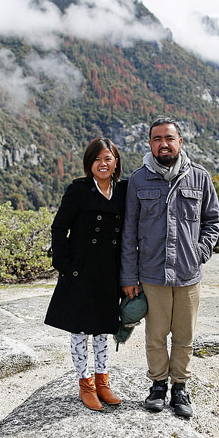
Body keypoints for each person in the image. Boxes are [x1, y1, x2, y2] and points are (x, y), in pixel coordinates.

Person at [120, 117, 219, 418]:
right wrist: (128, 276)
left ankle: (180, 387)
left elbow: (213, 222)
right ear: (150, 144)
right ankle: (158, 386)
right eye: (157, 139)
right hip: (152, 274)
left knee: (184, 335)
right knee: (155, 336)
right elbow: (128, 231)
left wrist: (200, 251)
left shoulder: (200, 178)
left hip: (188, 274)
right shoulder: (139, 180)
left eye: (169, 138)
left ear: (180, 142)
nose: (163, 144)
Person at [45, 137, 127, 411]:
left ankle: (103, 382)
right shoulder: (78, 190)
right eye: (96, 159)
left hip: (109, 272)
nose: (102, 164)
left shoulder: (123, 191)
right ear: (89, 164)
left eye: (107, 158)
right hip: (81, 272)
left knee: (102, 331)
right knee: (80, 331)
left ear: (116, 162)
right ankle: (86, 383)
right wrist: (65, 265)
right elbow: (59, 229)